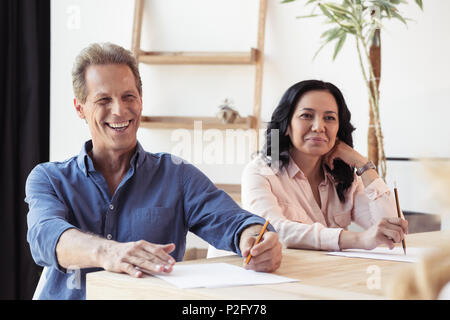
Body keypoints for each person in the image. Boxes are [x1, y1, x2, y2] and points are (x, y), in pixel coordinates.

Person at [25, 43, 282, 300]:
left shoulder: (177, 175)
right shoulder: (49, 178)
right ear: (79, 108)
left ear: (141, 101)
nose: (119, 110)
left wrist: (256, 239)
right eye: (104, 99)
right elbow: (46, 237)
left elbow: (235, 223)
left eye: (128, 97)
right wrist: (109, 252)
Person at [241, 80, 408, 251]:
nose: (318, 127)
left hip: (330, 273)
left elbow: (393, 231)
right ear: (286, 125)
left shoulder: (345, 176)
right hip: (283, 273)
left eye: (329, 118)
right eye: (306, 115)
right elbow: (271, 231)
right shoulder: (260, 172)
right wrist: (358, 239)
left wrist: (363, 164)